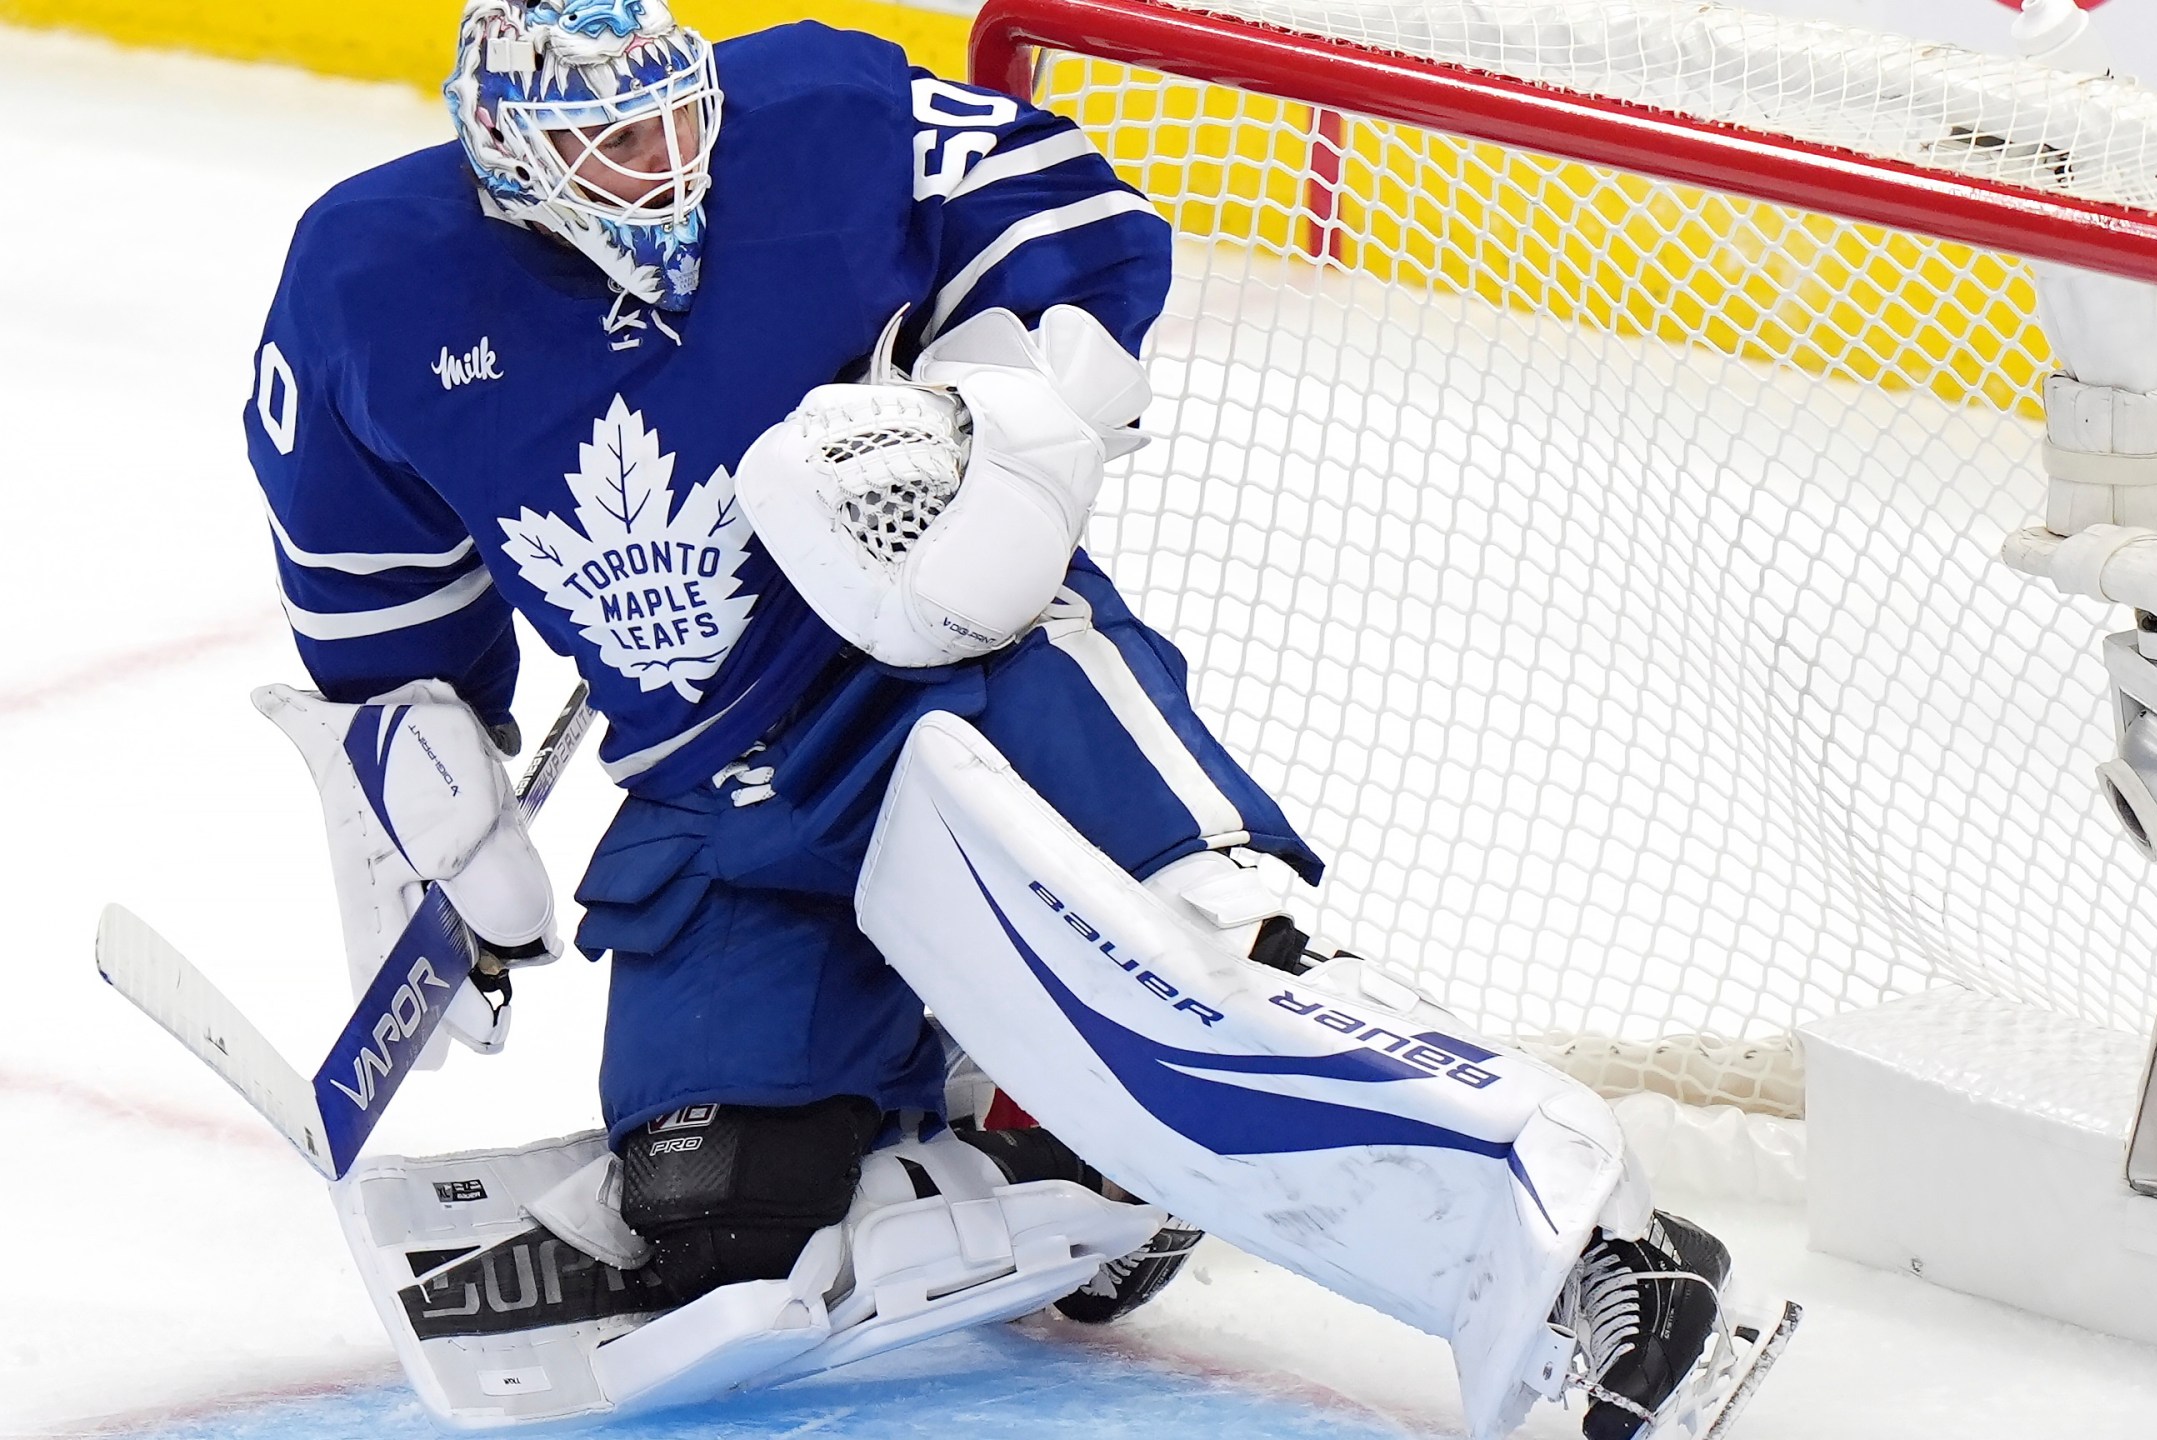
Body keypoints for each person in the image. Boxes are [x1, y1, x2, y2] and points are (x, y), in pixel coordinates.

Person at [244, 0, 1765, 1435]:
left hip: (957, 686)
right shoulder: (368, 280)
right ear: (507, 153)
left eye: (672, 120)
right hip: (716, 801)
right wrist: (433, 804)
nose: (666, 165)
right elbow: (374, 595)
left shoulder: (821, 110)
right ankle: (1061, 1150)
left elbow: (1072, 215)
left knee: (1201, 970)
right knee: (721, 1209)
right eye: (612, 144)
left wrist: (985, 421)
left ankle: (1600, 1256)